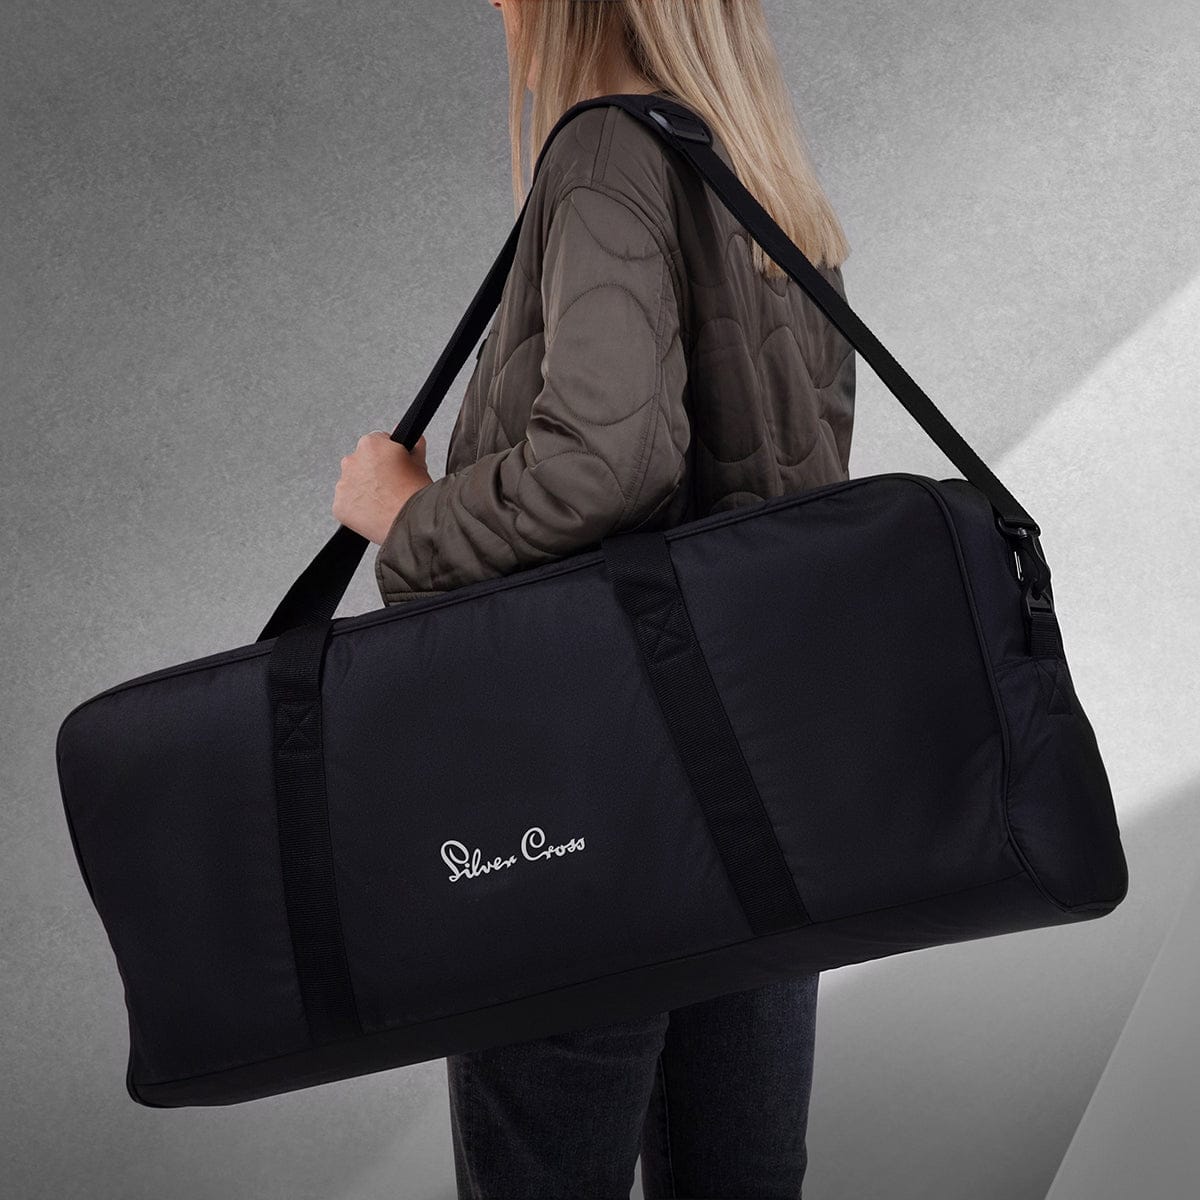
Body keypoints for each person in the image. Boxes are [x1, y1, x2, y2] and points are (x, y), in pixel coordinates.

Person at [332, 2, 854, 1195]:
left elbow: (608, 465)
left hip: (589, 807)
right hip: (762, 797)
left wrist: (404, 509)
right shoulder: (769, 184)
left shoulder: (605, 150)